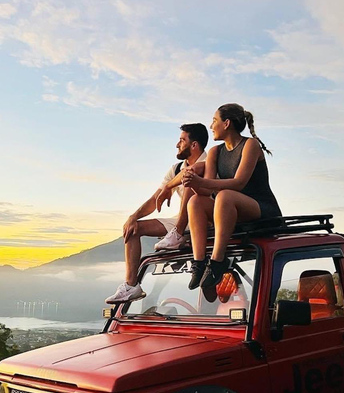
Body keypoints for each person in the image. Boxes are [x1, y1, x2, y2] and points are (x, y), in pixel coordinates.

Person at [105, 123, 209, 304]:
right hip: (182, 220)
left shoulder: (210, 162)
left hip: (206, 219)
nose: (177, 145)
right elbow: (155, 199)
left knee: (191, 181)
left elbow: (191, 176)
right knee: (133, 228)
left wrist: (171, 186)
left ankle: (177, 233)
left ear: (194, 145)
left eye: (182, 140)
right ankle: (131, 286)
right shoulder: (175, 169)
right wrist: (133, 216)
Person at [182, 104, 281, 290]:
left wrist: (201, 182)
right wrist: (193, 183)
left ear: (226, 123)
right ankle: (199, 262)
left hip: (260, 208)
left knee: (225, 195)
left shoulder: (250, 145)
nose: (211, 126)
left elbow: (239, 183)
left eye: (214, 121)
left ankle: (217, 260)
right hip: (228, 208)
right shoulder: (214, 152)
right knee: (195, 201)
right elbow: (206, 190)